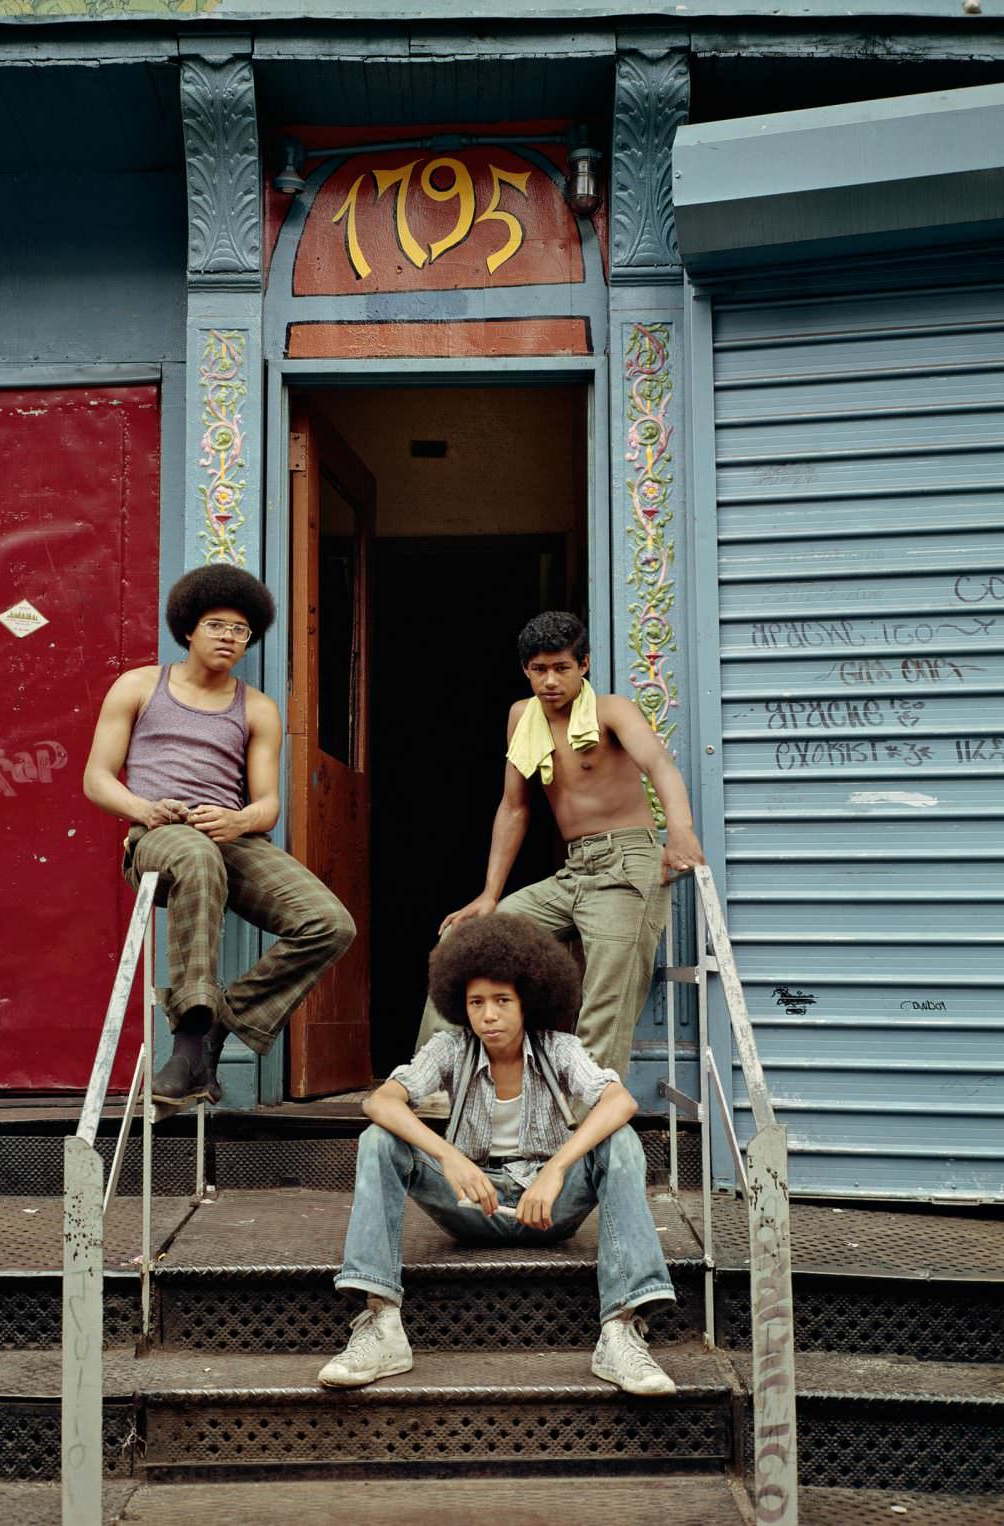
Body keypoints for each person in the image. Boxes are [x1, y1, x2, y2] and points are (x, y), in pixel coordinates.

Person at [319, 914, 677, 1395]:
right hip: (472, 1203)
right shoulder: (450, 1048)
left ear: (527, 1000)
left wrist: (556, 1169)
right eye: (476, 1003)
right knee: (378, 1139)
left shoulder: (559, 1048)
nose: (488, 1015)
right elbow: (379, 1101)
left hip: (549, 1207)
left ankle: (620, 1331)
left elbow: (620, 1101)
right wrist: (449, 1157)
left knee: (622, 1140)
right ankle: (382, 1326)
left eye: (502, 1001)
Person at [83, 565, 355, 1104]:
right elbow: (95, 778)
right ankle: (188, 1046)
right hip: (161, 837)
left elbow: (268, 805)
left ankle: (221, 1025)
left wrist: (239, 821)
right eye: (217, 625)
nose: (229, 637)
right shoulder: (139, 685)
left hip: (232, 837)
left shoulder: (257, 708)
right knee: (196, 856)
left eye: (241, 630)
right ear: (188, 629)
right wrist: (145, 809)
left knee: (330, 923)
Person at [415, 610, 704, 1079]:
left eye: (561, 668)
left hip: (626, 864)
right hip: (574, 872)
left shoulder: (612, 710)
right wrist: (489, 896)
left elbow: (659, 765)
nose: (550, 680)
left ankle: (583, 1107)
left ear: (583, 664)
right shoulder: (521, 717)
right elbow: (514, 808)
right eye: (538, 669)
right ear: (526, 669)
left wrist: (682, 831)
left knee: (606, 994)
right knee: (469, 943)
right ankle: (433, 1080)